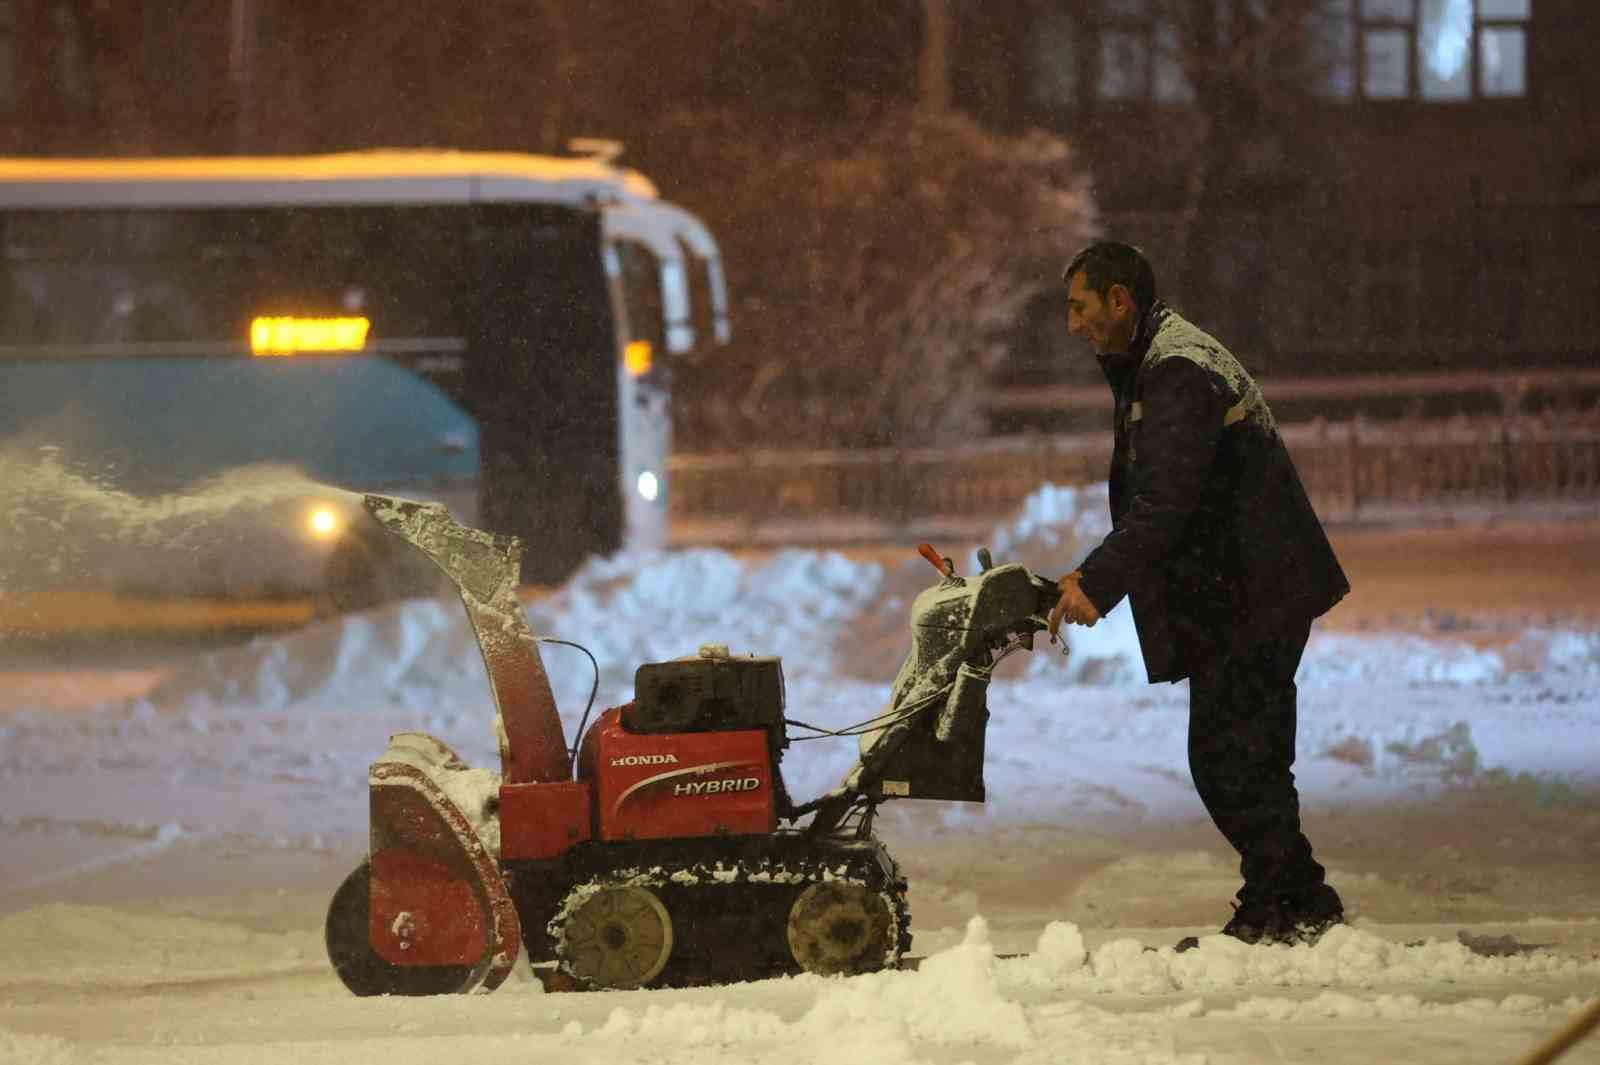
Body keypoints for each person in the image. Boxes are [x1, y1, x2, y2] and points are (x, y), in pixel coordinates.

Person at [1046, 241, 1350, 947]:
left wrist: (1097, 581)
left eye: (1080, 306)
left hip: (1255, 588)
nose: (1073, 325)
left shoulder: (1176, 371)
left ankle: (1287, 902)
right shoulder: (1160, 360)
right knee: (1245, 755)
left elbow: (1167, 501)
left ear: (1120, 300)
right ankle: (1294, 898)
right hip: (1249, 584)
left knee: (1231, 757)